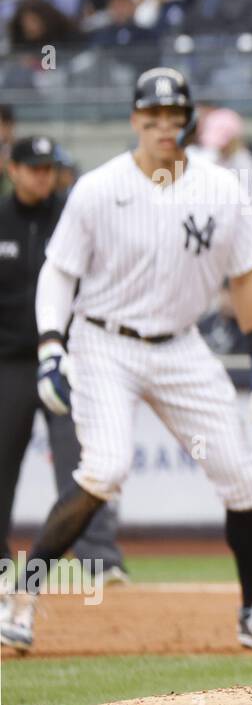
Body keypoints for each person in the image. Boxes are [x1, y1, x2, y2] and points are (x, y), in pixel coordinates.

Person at [0, 69, 252, 654]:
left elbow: (247, 278)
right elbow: (58, 272)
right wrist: (50, 345)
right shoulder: (97, 187)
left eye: (174, 115)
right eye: (152, 116)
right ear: (135, 119)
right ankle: (21, 595)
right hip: (104, 341)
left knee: (241, 475)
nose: (164, 126)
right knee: (105, 468)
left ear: (188, 119)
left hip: (180, 344)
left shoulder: (220, 188)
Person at [0, 137, 128, 589]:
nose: (43, 176)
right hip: (10, 362)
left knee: (86, 460)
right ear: (11, 169)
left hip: (72, 358)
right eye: (33, 168)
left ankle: (100, 559)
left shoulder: (71, 217)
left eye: (48, 168)